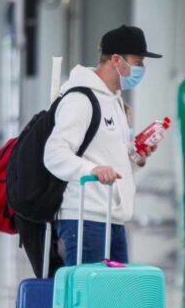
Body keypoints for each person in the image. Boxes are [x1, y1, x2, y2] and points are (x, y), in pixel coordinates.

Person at [44, 25, 162, 266]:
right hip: (85, 219)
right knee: (91, 297)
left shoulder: (114, 100)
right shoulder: (81, 99)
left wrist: (135, 158)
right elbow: (54, 153)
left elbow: (107, 157)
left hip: (113, 218)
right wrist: (90, 170)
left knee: (114, 298)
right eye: (138, 62)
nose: (141, 69)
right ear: (116, 60)